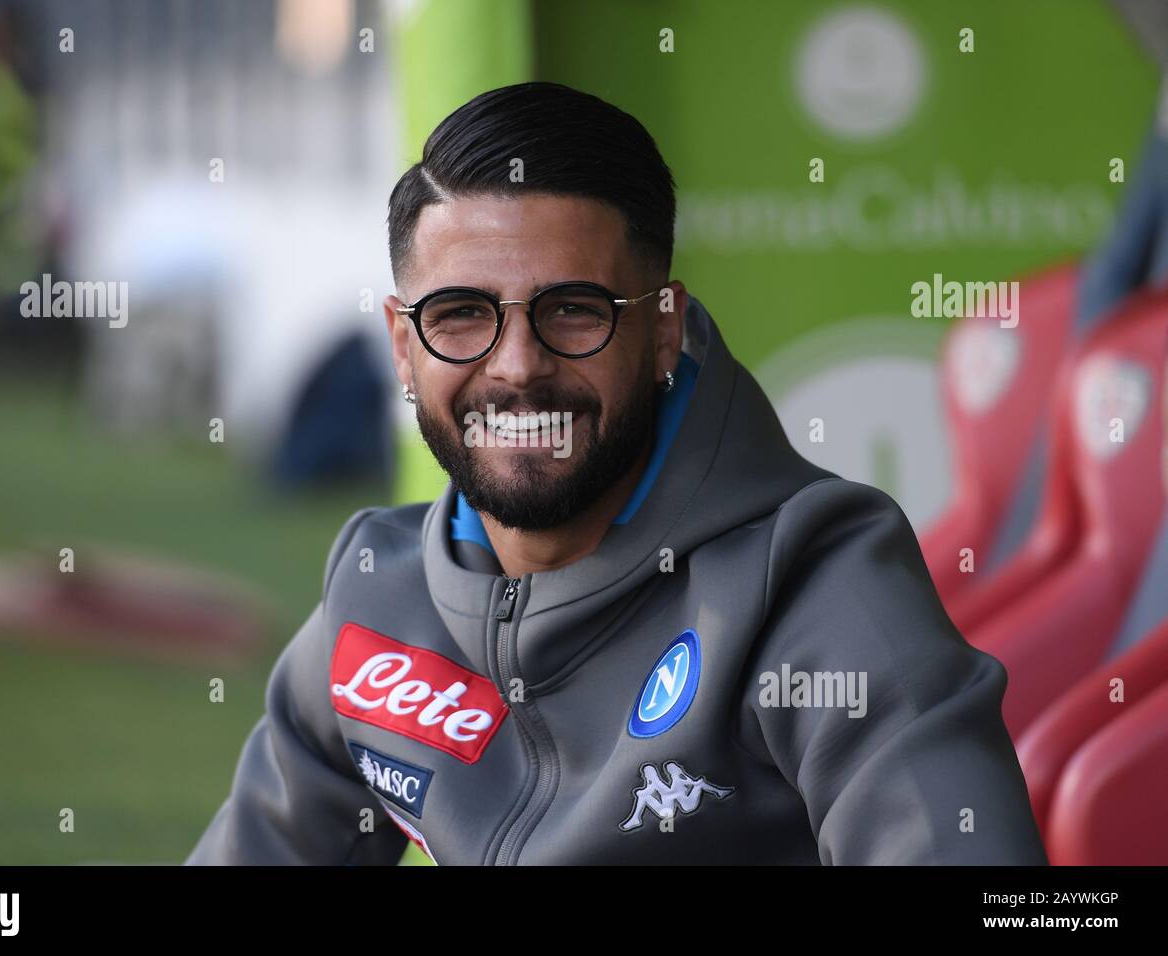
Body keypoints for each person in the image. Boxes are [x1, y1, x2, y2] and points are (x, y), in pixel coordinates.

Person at [187, 81, 1048, 865]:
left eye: (572, 310)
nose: (517, 367)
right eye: (459, 316)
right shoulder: (379, 593)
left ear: (665, 328)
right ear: (403, 346)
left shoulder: (816, 581)